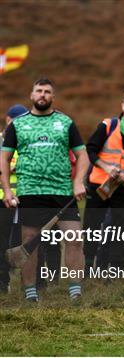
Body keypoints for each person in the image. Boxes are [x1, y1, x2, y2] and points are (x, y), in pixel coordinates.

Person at [0, 78, 89, 301]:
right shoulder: (18, 125)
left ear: (52, 97)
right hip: (30, 191)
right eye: (38, 91)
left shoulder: (65, 122)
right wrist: (8, 191)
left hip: (62, 191)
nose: (42, 95)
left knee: (75, 238)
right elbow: (4, 158)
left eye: (47, 91)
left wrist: (78, 182)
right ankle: (31, 293)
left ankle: (75, 290)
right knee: (30, 242)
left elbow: (83, 155)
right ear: (31, 96)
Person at [84, 92, 124, 275]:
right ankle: (88, 267)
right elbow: (90, 150)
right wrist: (105, 167)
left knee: (121, 231)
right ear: (123, 105)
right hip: (99, 184)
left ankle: (113, 272)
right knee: (92, 227)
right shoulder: (107, 125)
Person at [0, 104, 27, 293]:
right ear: (8, 120)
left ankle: (31, 284)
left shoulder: (25, 141)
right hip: (3, 200)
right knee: (2, 242)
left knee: (24, 242)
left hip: (25, 200)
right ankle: (3, 282)